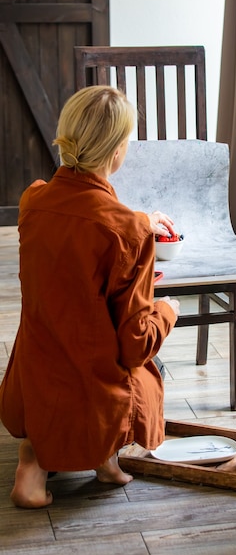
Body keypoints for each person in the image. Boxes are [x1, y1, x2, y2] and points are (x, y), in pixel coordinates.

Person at [0, 85, 180, 508]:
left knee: (66, 344)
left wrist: (138, 222)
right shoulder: (128, 231)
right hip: (89, 387)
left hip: (33, 378)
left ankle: (37, 459)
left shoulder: (34, 200)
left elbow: (77, 237)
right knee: (142, 372)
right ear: (118, 151)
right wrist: (166, 310)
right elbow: (134, 343)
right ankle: (97, 455)